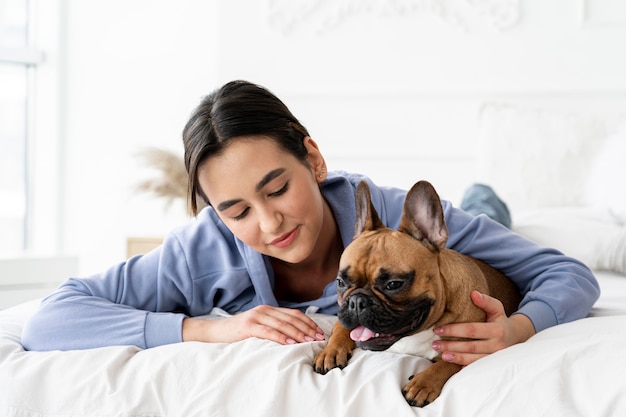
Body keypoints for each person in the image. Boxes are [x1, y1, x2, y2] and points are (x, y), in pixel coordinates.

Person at [22, 80, 600, 367]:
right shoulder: (204, 250)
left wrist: (520, 328)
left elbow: (567, 273)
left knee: (495, 213)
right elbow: (50, 322)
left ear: (314, 161)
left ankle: (488, 197)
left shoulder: (408, 226)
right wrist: (211, 329)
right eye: (237, 210)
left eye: (277, 188)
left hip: (446, 229)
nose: (269, 222)